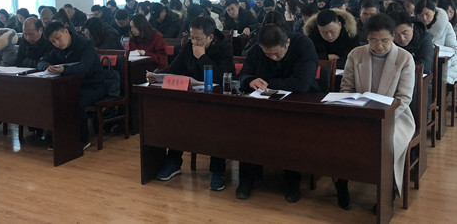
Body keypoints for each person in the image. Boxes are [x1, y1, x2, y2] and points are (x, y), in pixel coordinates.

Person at [336, 14, 415, 211]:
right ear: (367, 38)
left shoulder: (405, 58)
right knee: (339, 136)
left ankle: (387, 191)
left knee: (388, 142)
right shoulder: (356, 54)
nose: (379, 46)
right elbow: (346, 89)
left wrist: (383, 118)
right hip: (360, 114)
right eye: (373, 40)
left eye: (385, 40)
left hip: (395, 117)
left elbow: (404, 98)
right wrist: (356, 110)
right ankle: (341, 182)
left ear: (393, 37)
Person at [146, 17, 234, 190]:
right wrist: (157, 75)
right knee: (178, 119)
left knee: (216, 126)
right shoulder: (188, 47)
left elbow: (222, 77)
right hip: (192, 97)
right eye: (192, 38)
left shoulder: (224, 48)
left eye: (198, 38)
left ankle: (218, 171)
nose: (194, 42)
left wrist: (202, 57)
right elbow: (174, 69)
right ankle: (174, 162)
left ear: (210, 37)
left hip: (217, 101)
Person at [236, 24, 319, 202]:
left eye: (277, 54)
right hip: (265, 105)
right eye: (268, 54)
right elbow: (242, 76)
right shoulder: (256, 50)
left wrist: (266, 83)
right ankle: (246, 180)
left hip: (298, 104)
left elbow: (301, 84)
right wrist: (250, 80)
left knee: (291, 131)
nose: (272, 58)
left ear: (287, 43)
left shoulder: (303, 45)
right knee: (246, 127)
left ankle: (293, 181)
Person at [38, 21, 112, 150]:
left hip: (94, 85)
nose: (57, 43)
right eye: (53, 41)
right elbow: (42, 61)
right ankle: (61, 138)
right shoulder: (57, 49)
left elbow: (85, 66)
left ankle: (82, 139)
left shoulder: (85, 44)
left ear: (66, 32)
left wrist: (64, 70)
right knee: (55, 99)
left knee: (76, 102)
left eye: (58, 38)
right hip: (71, 86)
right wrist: (47, 66)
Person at [389, 11, 434, 115]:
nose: (401, 38)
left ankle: (414, 122)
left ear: (412, 27)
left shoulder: (425, 37)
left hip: (420, 83)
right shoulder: (388, 42)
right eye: (395, 34)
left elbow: (425, 66)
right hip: (394, 82)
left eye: (405, 32)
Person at [415, 0, 457, 83]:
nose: (424, 18)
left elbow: (454, 49)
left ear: (434, 12)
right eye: (420, 16)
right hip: (422, 63)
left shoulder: (446, 25)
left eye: (427, 14)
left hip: (444, 64)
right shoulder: (414, 27)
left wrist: (434, 47)